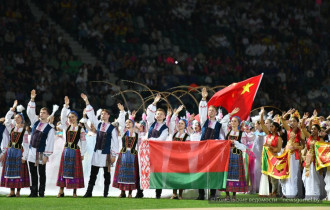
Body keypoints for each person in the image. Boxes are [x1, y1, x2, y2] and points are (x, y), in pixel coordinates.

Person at [197, 87, 239, 200]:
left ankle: (212, 194)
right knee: (201, 171)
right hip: (202, 149)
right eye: (209, 110)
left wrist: (230, 114)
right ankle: (201, 194)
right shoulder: (203, 121)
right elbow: (202, 111)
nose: (210, 112)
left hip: (212, 151)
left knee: (212, 172)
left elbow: (221, 136)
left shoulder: (219, 124)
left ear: (216, 112)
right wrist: (203, 99)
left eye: (212, 110)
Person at [81, 93, 119, 198]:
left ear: (108, 116)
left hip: (106, 154)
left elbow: (115, 142)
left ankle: (105, 193)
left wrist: (114, 156)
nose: (103, 115)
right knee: (93, 173)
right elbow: (92, 115)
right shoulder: (98, 124)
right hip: (96, 152)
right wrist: (86, 101)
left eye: (105, 114)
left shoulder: (111, 128)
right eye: (102, 113)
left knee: (106, 174)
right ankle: (89, 192)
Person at [56, 96, 86, 197]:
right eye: (69, 117)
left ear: (76, 117)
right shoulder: (66, 126)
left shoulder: (80, 129)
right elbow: (62, 116)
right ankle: (61, 190)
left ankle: (74, 192)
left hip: (76, 151)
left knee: (75, 171)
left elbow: (83, 142)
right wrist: (66, 106)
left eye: (73, 117)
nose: (71, 118)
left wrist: (82, 153)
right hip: (67, 150)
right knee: (64, 170)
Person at [27, 89, 55, 197]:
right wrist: (32, 99)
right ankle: (33, 192)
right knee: (33, 173)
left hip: (41, 151)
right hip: (31, 150)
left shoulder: (50, 128)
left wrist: (46, 155)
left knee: (41, 173)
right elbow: (30, 112)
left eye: (44, 113)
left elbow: (50, 142)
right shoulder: (35, 122)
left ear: (48, 115)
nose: (41, 114)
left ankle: (41, 192)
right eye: (40, 112)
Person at [0, 100, 30, 197]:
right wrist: (13, 108)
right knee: (10, 171)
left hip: (18, 151)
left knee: (18, 171)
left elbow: (26, 144)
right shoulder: (11, 128)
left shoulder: (24, 131)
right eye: (15, 117)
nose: (16, 119)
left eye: (18, 117)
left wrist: (24, 157)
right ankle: (12, 191)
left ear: (22, 119)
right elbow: (7, 119)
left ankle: (18, 191)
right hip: (10, 151)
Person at [113, 104, 139, 198]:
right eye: (126, 123)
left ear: (133, 124)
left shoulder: (136, 134)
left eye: (129, 123)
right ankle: (122, 191)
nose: (127, 124)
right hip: (124, 154)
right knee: (123, 172)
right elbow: (121, 122)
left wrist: (132, 117)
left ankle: (130, 193)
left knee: (132, 173)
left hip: (132, 155)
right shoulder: (124, 132)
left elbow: (139, 146)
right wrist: (122, 111)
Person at [146, 93, 169, 199]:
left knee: (158, 172)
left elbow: (161, 140)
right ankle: (140, 191)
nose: (158, 115)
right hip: (147, 151)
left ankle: (158, 193)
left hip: (158, 152)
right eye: (157, 114)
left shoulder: (165, 128)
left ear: (164, 117)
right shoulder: (151, 124)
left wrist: (149, 139)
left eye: (161, 114)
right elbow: (149, 114)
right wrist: (154, 103)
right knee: (145, 169)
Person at [280, 109, 305, 198]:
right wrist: (287, 113)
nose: (292, 123)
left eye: (294, 121)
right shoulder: (288, 130)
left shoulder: (300, 132)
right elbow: (282, 120)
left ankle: (293, 193)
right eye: (291, 121)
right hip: (287, 153)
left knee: (293, 174)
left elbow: (303, 146)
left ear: (298, 122)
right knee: (286, 172)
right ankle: (286, 192)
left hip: (295, 154)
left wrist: (295, 147)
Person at [258, 107, 283, 197]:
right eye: (270, 126)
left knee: (273, 176)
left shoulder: (279, 138)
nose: (270, 127)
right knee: (265, 174)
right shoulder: (268, 134)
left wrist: (270, 147)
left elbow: (279, 149)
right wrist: (261, 113)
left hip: (273, 157)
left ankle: (275, 192)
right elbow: (261, 123)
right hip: (265, 156)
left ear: (276, 128)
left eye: (272, 126)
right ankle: (265, 191)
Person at [301, 113, 325, 199]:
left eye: (314, 129)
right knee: (306, 178)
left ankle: (315, 195)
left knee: (315, 179)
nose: (312, 131)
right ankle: (309, 194)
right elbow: (303, 128)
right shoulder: (309, 137)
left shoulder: (320, 139)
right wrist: (307, 119)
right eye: (312, 129)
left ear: (318, 131)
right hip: (307, 161)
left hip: (315, 161)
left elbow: (322, 151)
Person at [169, 105, 190, 199]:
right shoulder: (174, 133)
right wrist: (176, 112)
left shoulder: (187, 136)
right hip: (174, 157)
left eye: (182, 124)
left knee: (181, 176)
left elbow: (188, 148)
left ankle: (180, 194)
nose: (180, 125)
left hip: (182, 158)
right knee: (174, 175)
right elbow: (172, 122)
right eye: (179, 123)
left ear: (185, 125)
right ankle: (174, 193)